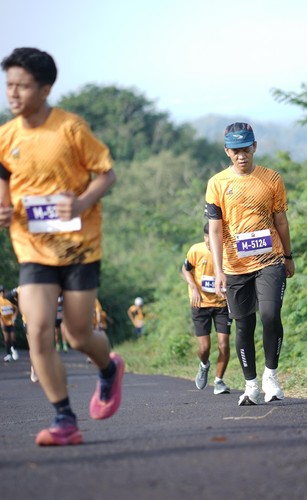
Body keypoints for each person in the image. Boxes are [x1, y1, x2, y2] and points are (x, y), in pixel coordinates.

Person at [0, 47, 125, 446]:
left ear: (45, 89)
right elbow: (4, 179)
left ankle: (108, 369)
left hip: (78, 248)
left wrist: (82, 202)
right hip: (33, 247)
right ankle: (64, 419)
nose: (13, 93)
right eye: (9, 85)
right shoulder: (6, 135)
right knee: (37, 330)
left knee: (77, 333)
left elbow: (106, 174)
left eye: (22, 86)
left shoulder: (70, 128)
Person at [204, 122, 295, 406]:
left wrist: (288, 256)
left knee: (270, 314)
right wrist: (218, 270)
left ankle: (271, 377)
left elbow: (281, 221)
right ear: (227, 151)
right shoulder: (217, 183)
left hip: (271, 259)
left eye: (246, 149)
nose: (241, 156)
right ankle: (251, 385)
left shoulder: (271, 178)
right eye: (235, 151)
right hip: (234, 266)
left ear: (254, 147)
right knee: (243, 325)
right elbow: (215, 229)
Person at [182, 223, 231, 395]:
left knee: (224, 345)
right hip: (200, 304)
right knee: (204, 349)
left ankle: (219, 381)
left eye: (214, 237)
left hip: (222, 304)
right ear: (204, 237)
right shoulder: (196, 250)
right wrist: (194, 288)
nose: (210, 241)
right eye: (207, 237)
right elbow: (185, 269)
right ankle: (204, 365)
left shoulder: (228, 251)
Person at [0, 284, 19, 361]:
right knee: (6, 339)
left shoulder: (10, 298)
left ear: (6, 291)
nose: (2, 293)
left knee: (13, 337)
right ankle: (8, 354)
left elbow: (16, 308)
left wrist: (14, 317)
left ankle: (14, 349)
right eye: (0, 292)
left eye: (3, 291)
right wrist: (1, 322)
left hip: (11, 322)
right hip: (4, 322)